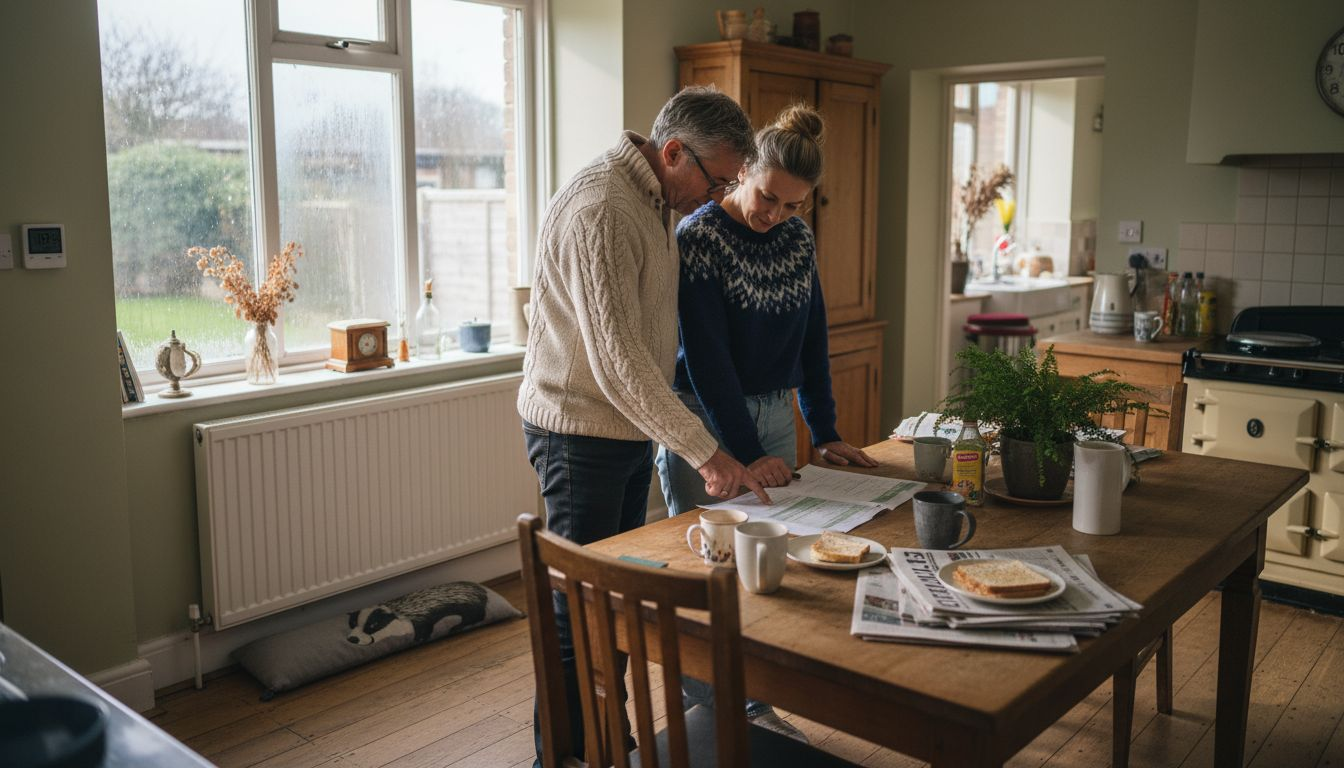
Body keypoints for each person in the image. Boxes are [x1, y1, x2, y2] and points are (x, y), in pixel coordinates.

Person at [518, 85, 771, 766]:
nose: (717, 196)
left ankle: (609, 742)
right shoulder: (603, 206)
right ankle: (567, 757)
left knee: (610, 602)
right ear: (671, 152)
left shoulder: (656, 199)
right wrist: (707, 453)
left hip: (621, 429)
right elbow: (618, 364)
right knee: (578, 611)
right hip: (579, 432)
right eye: (716, 179)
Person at [655, 103, 879, 740]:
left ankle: (752, 706)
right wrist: (748, 453)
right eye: (767, 198)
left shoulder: (797, 238)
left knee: (771, 565)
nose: (775, 215)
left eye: (792, 205)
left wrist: (826, 430)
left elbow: (813, 337)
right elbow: (707, 361)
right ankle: (705, 717)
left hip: (775, 412)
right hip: (704, 415)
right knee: (710, 566)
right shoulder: (699, 238)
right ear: (744, 171)